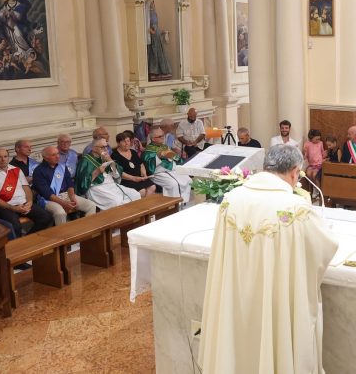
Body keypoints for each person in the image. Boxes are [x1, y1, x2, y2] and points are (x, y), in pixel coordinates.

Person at [198, 145, 338, 373]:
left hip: (235, 298)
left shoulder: (230, 200)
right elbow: (324, 246)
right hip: (273, 299)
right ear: (294, 172)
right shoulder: (294, 208)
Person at [0, 148, 53, 237]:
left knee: (46, 217)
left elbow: (26, 188)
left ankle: (28, 239)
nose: (3, 159)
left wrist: (29, 202)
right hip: (5, 207)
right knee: (15, 226)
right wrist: (13, 208)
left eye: (5, 156)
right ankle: (20, 244)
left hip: (23, 203)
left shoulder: (16, 170)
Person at [33, 146, 97, 226]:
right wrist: (64, 203)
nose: (57, 156)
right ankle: (63, 233)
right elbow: (47, 193)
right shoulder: (38, 171)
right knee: (60, 213)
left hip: (65, 195)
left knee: (91, 206)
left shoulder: (62, 166)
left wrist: (73, 198)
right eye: (53, 155)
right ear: (45, 158)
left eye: (58, 154)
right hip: (48, 199)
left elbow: (70, 184)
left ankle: (87, 229)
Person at [75, 138, 142, 209]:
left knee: (135, 194)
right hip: (97, 188)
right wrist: (97, 172)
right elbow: (82, 184)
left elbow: (116, 175)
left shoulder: (105, 157)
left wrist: (110, 160)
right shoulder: (85, 161)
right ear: (94, 148)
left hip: (111, 185)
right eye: (102, 147)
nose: (105, 149)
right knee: (116, 201)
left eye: (106, 146)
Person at [142, 129, 192, 203]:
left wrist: (178, 159)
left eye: (163, 135)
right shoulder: (148, 151)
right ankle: (173, 204)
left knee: (188, 180)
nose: (163, 137)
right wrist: (158, 157)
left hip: (172, 170)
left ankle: (183, 202)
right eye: (160, 136)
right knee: (173, 184)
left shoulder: (164, 146)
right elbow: (149, 167)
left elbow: (176, 158)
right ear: (153, 139)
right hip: (158, 173)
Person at [111, 133, 157, 198]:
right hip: (126, 180)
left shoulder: (133, 152)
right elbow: (118, 172)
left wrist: (144, 174)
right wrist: (133, 178)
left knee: (152, 187)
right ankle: (144, 204)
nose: (127, 143)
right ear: (118, 143)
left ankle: (146, 203)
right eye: (124, 141)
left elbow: (141, 164)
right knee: (142, 191)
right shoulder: (114, 155)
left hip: (139, 177)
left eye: (128, 141)